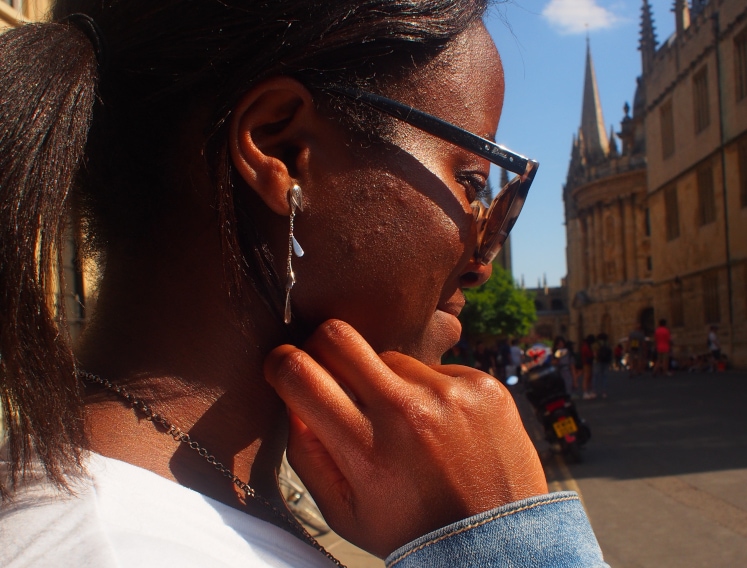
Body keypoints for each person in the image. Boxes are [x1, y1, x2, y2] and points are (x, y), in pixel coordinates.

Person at [0, 2, 607, 567]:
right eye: (472, 185)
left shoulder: (189, 511)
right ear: (280, 149)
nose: (482, 261)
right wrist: (506, 544)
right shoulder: (113, 549)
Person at [593, 333, 612, 398]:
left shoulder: (596, 344)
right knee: (605, 376)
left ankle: (595, 391)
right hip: (606, 361)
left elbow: (594, 353)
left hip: (598, 361)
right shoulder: (607, 344)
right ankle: (604, 392)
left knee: (596, 376)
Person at [580, 335, 596, 400]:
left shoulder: (586, 346)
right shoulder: (586, 346)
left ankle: (589, 391)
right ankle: (585, 392)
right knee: (586, 377)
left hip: (588, 362)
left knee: (589, 377)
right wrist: (592, 354)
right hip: (586, 363)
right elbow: (587, 354)